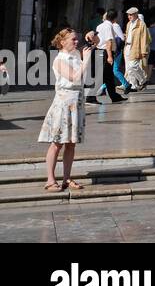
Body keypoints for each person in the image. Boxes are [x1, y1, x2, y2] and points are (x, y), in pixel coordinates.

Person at [39, 28, 94, 191]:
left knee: (71, 143)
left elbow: (94, 44)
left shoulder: (75, 54)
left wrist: (92, 35)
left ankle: (67, 178)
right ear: (62, 42)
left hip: (76, 102)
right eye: (73, 40)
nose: (76, 42)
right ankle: (50, 179)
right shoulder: (59, 59)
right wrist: (86, 61)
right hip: (64, 103)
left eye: (77, 39)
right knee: (57, 143)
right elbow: (74, 77)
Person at [93, 10, 126, 103]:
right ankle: (90, 96)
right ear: (115, 18)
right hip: (105, 53)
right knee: (103, 76)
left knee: (109, 76)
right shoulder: (109, 26)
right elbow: (109, 41)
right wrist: (110, 56)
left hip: (99, 51)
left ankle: (114, 96)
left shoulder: (100, 26)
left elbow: (97, 40)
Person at [123, 8, 150, 92]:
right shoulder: (128, 24)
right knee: (128, 69)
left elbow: (144, 38)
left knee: (133, 66)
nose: (129, 16)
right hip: (127, 47)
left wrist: (144, 51)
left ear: (136, 14)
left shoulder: (141, 24)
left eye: (131, 15)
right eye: (128, 15)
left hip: (135, 47)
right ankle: (133, 86)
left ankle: (143, 80)